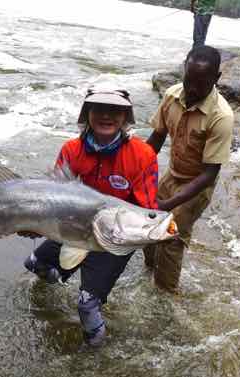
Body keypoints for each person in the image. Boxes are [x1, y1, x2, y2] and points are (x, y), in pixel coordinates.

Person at [22, 87, 159, 346]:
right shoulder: (71, 150)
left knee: (87, 305)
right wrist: (36, 224)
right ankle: (61, 284)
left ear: (125, 117)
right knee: (35, 265)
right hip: (75, 228)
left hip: (115, 238)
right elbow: (54, 198)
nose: (106, 116)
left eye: (115, 111)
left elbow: (145, 210)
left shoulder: (143, 155)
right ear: (87, 114)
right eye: (99, 109)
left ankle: (94, 354)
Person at [144, 45, 234, 293]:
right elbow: (156, 140)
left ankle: (164, 296)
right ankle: (149, 271)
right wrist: (131, 169)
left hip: (197, 185)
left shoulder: (221, 116)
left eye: (201, 84)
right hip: (172, 174)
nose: (192, 89)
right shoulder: (172, 95)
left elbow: (209, 174)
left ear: (216, 79)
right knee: (149, 222)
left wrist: (170, 204)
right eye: (188, 80)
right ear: (183, 69)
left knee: (171, 237)